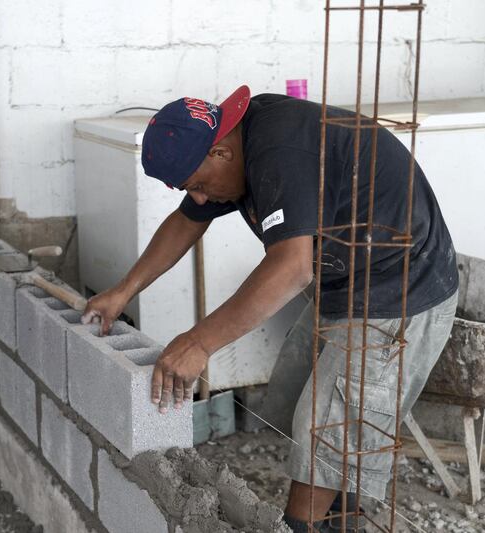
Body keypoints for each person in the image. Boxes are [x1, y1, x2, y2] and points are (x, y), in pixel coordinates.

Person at [80, 85, 458, 531]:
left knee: (324, 427)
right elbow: (185, 221)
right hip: (346, 281)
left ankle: (303, 526)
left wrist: (199, 342)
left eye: (198, 185)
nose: (199, 198)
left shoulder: (278, 150)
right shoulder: (236, 144)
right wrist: (124, 291)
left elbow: (291, 268)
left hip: (400, 286)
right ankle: (340, 518)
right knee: (300, 401)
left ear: (220, 152)